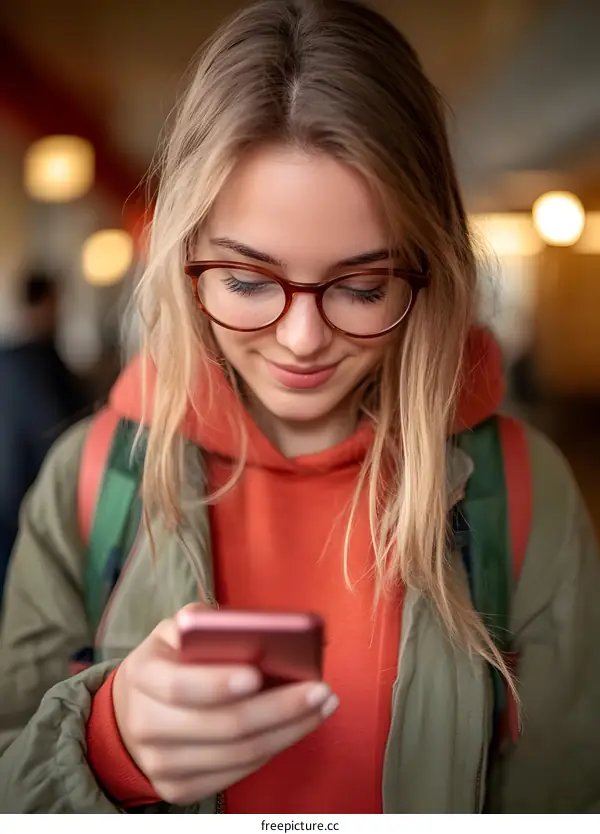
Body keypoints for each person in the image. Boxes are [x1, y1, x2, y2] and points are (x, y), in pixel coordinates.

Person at [1, 0, 599, 814]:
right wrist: (104, 749)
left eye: (361, 287)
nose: (303, 338)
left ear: (429, 274)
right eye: (248, 282)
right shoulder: (88, 482)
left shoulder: (526, 495)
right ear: (184, 266)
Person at [0, 271, 87, 604]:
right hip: (31, 507)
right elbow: (60, 438)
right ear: (48, 301)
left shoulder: (9, 360)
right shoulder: (41, 368)